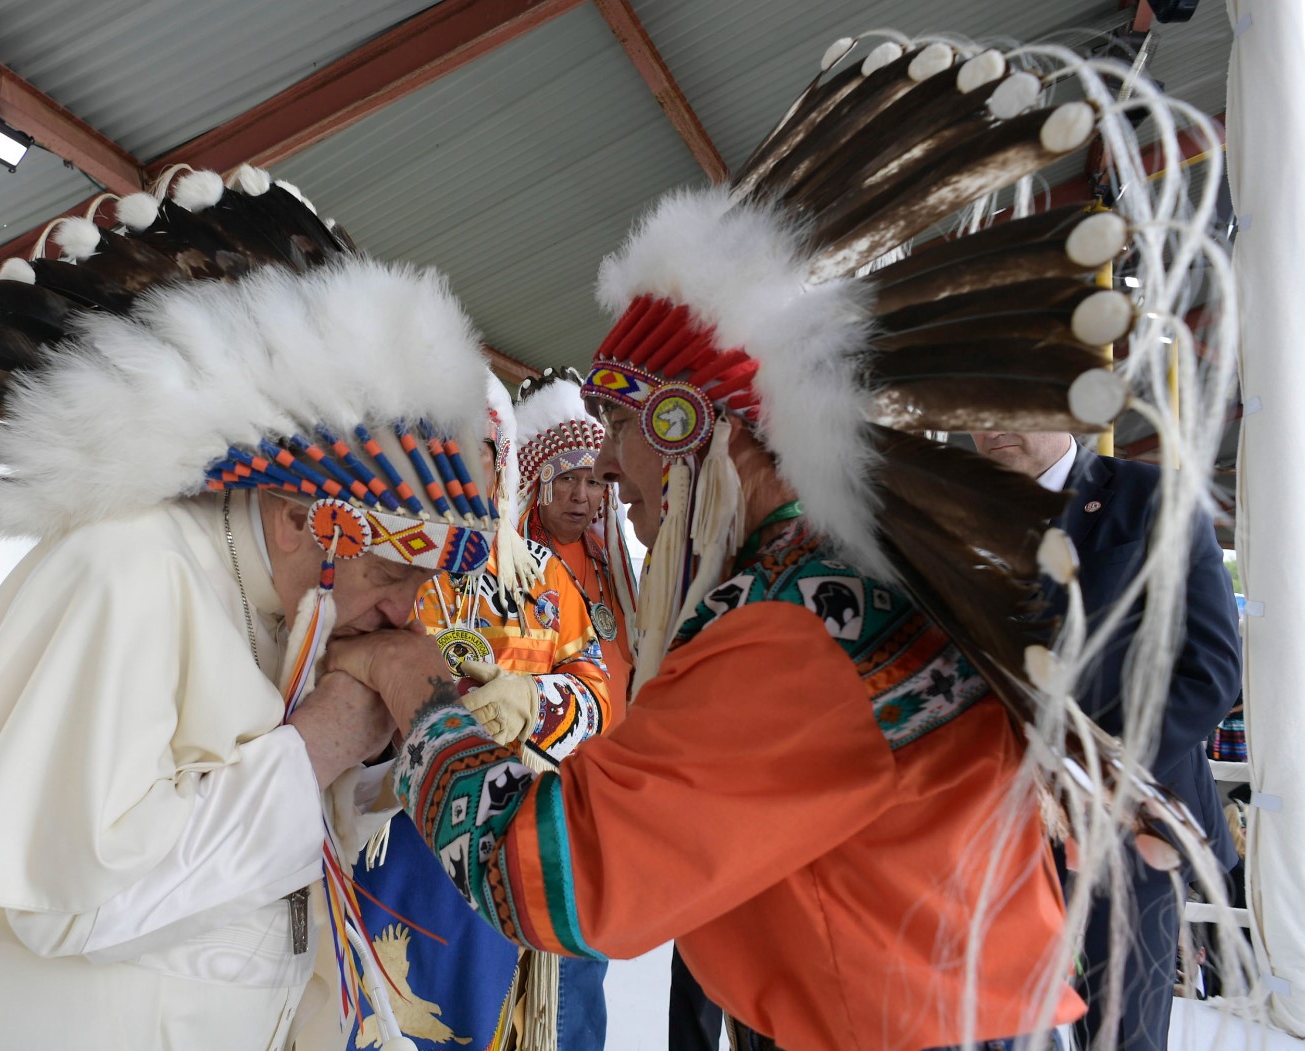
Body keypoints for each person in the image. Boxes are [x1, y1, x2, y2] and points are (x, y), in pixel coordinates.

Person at [317, 34, 1236, 1051]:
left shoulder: (803, 622)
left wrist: (420, 690)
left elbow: (562, 875)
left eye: (624, 430)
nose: (617, 473)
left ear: (699, 432)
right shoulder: (848, 575)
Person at [0, 166, 506, 1051]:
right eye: (392, 574)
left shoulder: (281, 594)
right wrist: (326, 735)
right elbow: (70, 906)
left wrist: (380, 747)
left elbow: (256, 815)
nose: (408, 611)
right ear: (302, 519)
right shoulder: (128, 570)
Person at [346, 377, 611, 1051]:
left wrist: (533, 704)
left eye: (481, 448)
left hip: (509, 838)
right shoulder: (379, 560)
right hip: (390, 842)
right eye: (444, 446)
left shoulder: (548, 582)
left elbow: (598, 694)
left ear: (504, 459)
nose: (462, 464)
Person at [973, 429, 1243, 1051]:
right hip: (992, 821)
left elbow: (1208, 671)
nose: (990, 426)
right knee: (991, 1025)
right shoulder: (957, 508)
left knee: (1122, 1032)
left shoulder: (1151, 498)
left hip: (1127, 824)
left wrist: (1086, 775)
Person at [512, 367, 636, 713]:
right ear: (540, 484)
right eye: (567, 478)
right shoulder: (516, 565)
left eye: (594, 482)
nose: (581, 495)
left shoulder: (610, 566)